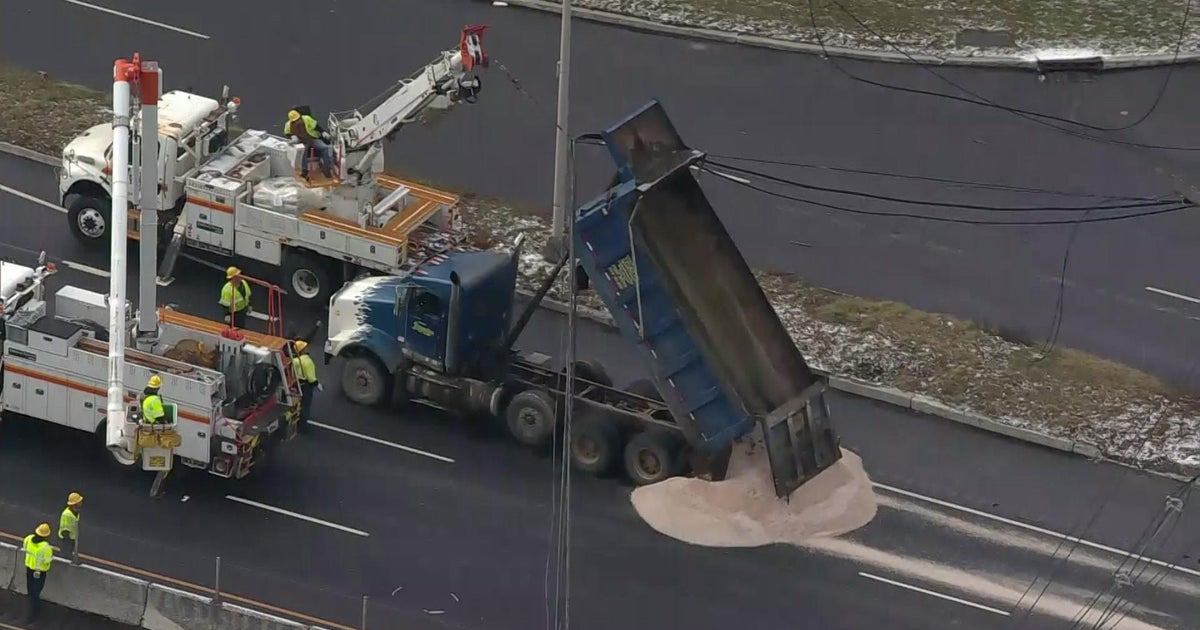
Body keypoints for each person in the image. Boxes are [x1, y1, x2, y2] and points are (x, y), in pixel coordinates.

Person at [284, 109, 334, 179]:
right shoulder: (288, 125)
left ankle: (327, 169)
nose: (297, 121)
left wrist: (323, 132)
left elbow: (316, 126)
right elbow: (287, 133)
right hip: (301, 141)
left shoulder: (306, 119)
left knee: (325, 148)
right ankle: (305, 172)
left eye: (298, 119)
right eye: (295, 121)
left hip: (312, 138)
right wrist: (293, 137)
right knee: (302, 153)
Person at [23, 523, 53, 623]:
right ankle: (34, 611)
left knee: (31, 590)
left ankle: (33, 606)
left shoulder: (28, 538)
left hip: (29, 569)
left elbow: (25, 547)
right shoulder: (46, 548)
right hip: (39, 573)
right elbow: (47, 560)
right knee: (36, 592)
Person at [293, 340, 322, 433]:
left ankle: (295, 421)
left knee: (296, 404)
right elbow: (310, 377)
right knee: (305, 406)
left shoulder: (294, 360)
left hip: (296, 384)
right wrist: (317, 384)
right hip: (306, 386)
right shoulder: (307, 361)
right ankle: (302, 427)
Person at [59, 492, 83, 560]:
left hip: (72, 538)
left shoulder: (76, 511)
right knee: (65, 556)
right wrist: (69, 543)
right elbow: (65, 530)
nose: (81, 502)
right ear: (74, 504)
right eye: (79, 501)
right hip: (66, 540)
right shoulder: (67, 515)